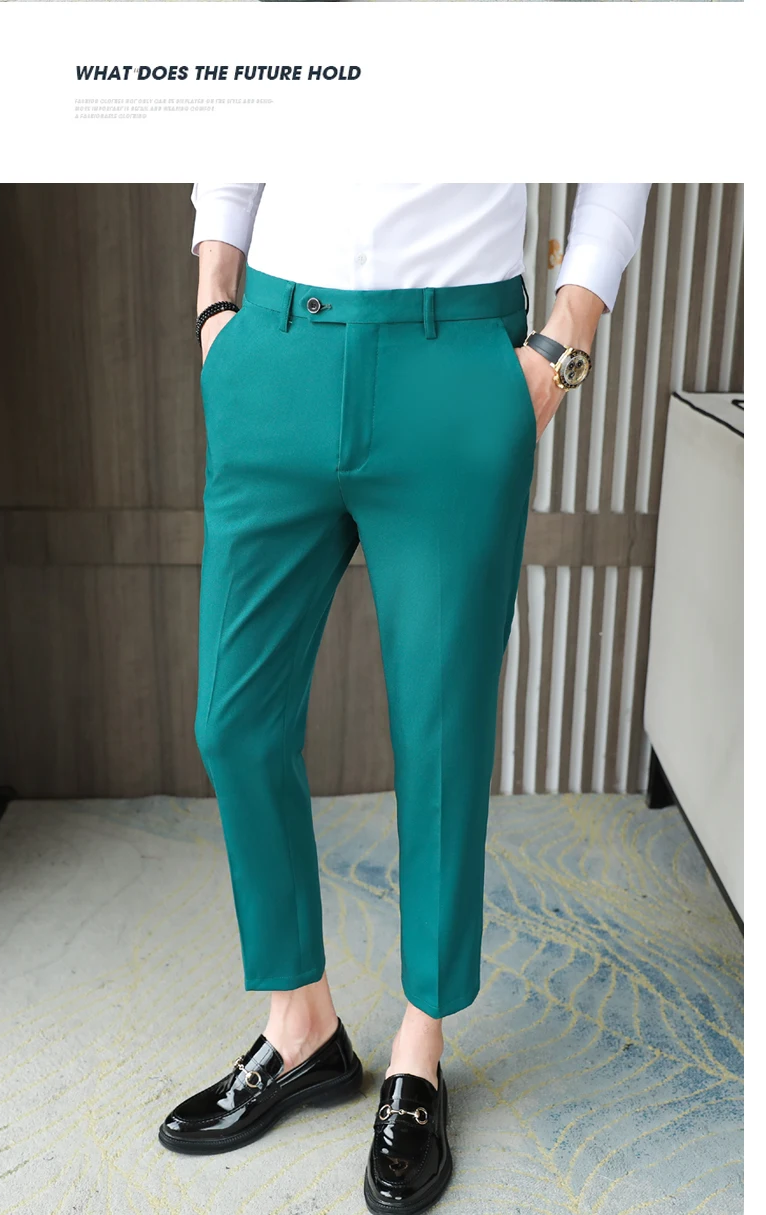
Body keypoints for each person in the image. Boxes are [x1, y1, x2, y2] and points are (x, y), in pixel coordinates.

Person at [158, 183, 650, 1213]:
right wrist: (215, 306)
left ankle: (419, 1051)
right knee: (234, 721)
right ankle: (302, 1027)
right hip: (276, 347)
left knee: (440, 733)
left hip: (456, 361)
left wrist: (561, 345)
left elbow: (624, 151)